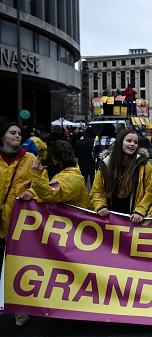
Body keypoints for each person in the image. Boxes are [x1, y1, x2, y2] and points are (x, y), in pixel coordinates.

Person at [0, 123, 36, 327]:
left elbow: (40, 184)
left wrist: (31, 193)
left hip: (18, 223)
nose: (17, 136)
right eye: (12, 133)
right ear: (2, 136)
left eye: (19, 133)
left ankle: (21, 310)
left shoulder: (29, 159)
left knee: (19, 267)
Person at [89, 129, 152, 222]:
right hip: (109, 220)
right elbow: (96, 191)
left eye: (136, 142)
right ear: (120, 142)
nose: (133, 144)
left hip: (134, 220)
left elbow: (150, 191)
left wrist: (140, 211)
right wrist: (100, 206)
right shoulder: (105, 164)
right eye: (129, 141)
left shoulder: (144, 165)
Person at [30, 140, 90, 209]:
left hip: (72, 218)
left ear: (55, 159)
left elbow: (50, 194)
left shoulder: (70, 177)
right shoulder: (68, 173)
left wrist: (36, 175)